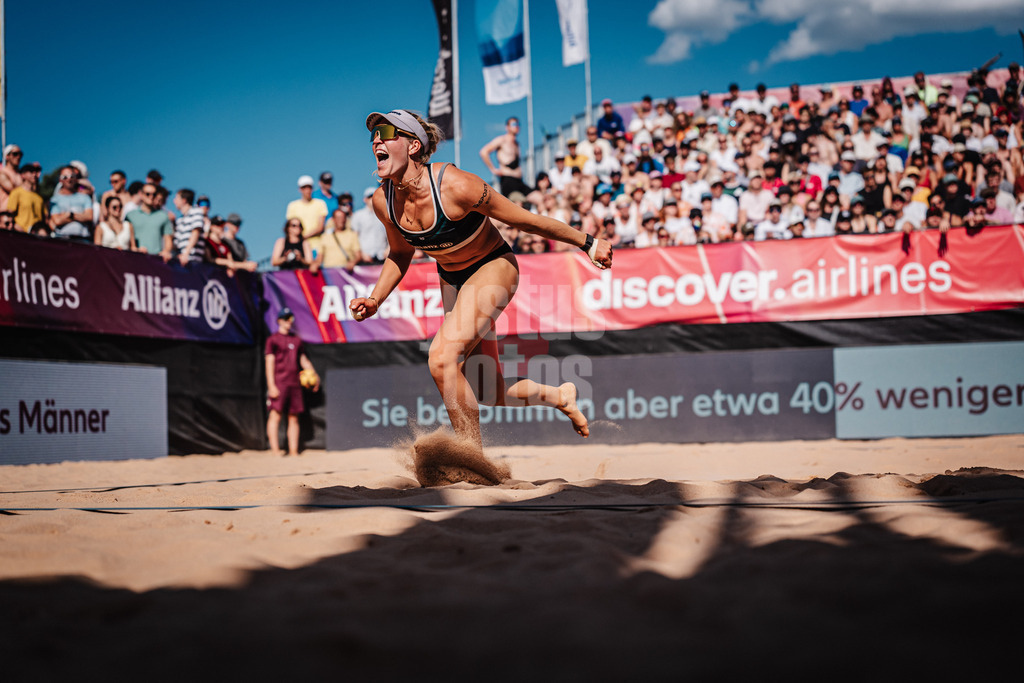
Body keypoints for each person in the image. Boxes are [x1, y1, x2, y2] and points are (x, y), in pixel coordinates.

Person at [351, 109, 611, 451]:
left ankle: (471, 458)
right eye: (373, 136)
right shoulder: (383, 202)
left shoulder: (457, 185)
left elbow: (525, 220)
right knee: (488, 390)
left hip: (492, 267)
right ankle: (559, 395)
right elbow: (400, 254)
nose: (376, 140)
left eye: (386, 132)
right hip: (452, 279)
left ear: (413, 146)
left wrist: (588, 242)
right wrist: (375, 299)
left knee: (441, 357)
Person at [265, 308, 319, 457]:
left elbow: (303, 360)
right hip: (279, 382)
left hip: (294, 383)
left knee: (293, 417)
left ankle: (294, 451)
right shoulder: (273, 340)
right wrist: (271, 385)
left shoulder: (296, 340)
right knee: (275, 415)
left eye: (290, 318)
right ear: (279, 321)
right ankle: (275, 451)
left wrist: (314, 375)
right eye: (285, 318)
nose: (289, 321)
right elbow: (269, 362)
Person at [479, 116, 533, 198]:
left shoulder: (517, 144)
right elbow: (484, 152)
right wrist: (493, 169)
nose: (517, 126)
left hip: (520, 181)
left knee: (540, 198)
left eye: (518, 124)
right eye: (514, 124)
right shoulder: (502, 140)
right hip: (508, 181)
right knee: (518, 202)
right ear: (507, 127)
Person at [125, 182, 173, 260]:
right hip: (135, 259)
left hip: (156, 261)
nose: (151, 197)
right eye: (148, 194)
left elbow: (168, 238)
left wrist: (166, 251)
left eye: (154, 194)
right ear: (141, 194)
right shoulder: (130, 215)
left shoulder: (163, 215)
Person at [48, 165, 95, 242]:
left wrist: (69, 215)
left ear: (76, 178)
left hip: (83, 240)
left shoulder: (85, 197)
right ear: (60, 180)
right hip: (61, 239)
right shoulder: (54, 200)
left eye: (72, 176)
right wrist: (80, 216)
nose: (69, 179)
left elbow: (89, 217)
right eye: (65, 177)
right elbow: (57, 221)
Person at [286, 175, 329, 251]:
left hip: (316, 247)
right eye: (304, 187)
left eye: (309, 187)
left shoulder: (320, 204)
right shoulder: (292, 206)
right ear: (300, 189)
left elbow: (320, 227)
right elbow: (290, 227)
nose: (307, 190)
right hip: (298, 247)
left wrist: (303, 237)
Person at [351, 186, 389, 264]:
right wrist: (361, 254)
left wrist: (389, 249)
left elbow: (390, 233)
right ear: (365, 199)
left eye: (374, 196)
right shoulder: (358, 215)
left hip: (382, 256)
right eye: (370, 197)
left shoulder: (385, 214)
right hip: (365, 256)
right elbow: (354, 237)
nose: (372, 199)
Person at [7, 161, 45, 231]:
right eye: (31, 172)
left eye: (35, 172)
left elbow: (44, 218)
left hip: (37, 236)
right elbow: (10, 215)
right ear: (23, 175)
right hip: (21, 234)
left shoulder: (39, 198)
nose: (34, 174)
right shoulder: (16, 192)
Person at [172, 188, 206, 266]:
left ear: (184, 200)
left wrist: (186, 253)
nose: (174, 201)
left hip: (192, 260)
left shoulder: (196, 211)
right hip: (180, 260)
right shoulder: (179, 220)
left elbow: (195, 232)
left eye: (176, 198)